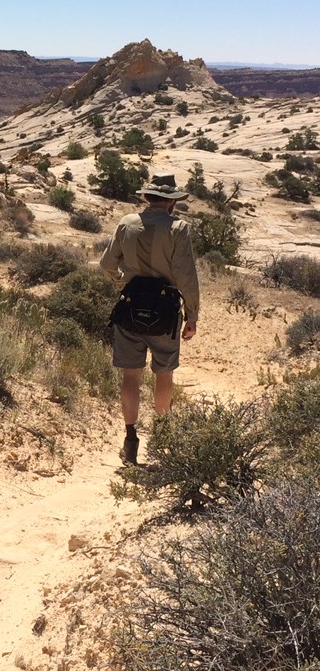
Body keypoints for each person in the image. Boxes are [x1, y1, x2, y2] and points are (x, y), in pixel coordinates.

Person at [99, 172, 199, 465]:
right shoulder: (178, 228)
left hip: (130, 307)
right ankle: (164, 437)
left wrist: (123, 284)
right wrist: (192, 314)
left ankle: (130, 440)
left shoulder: (127, 223)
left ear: (147, 198)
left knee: (131, 375)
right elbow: (186, 276)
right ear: (170, 203)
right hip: (165, 312)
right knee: (164, 374)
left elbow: (107, 264)